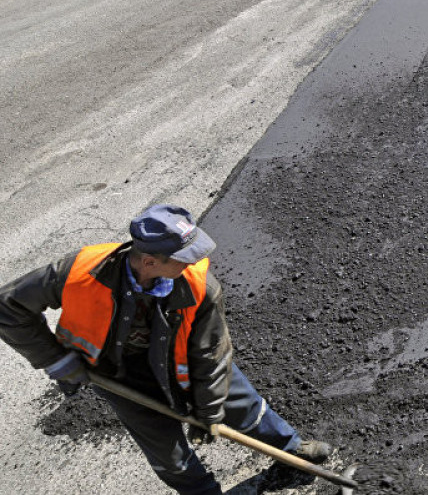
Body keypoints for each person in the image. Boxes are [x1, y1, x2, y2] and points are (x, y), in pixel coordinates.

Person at [0, 204, 331, 495]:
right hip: (122, 378)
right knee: (170, 457)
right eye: (185, 258)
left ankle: (292, 451)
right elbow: (8, 307)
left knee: (245, 407)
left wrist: (208, 413)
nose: (197, 262)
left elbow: (211, 356)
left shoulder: (200, 288)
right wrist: (55, 360)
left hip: (185, 362)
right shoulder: (80, 272)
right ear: (149, 261)